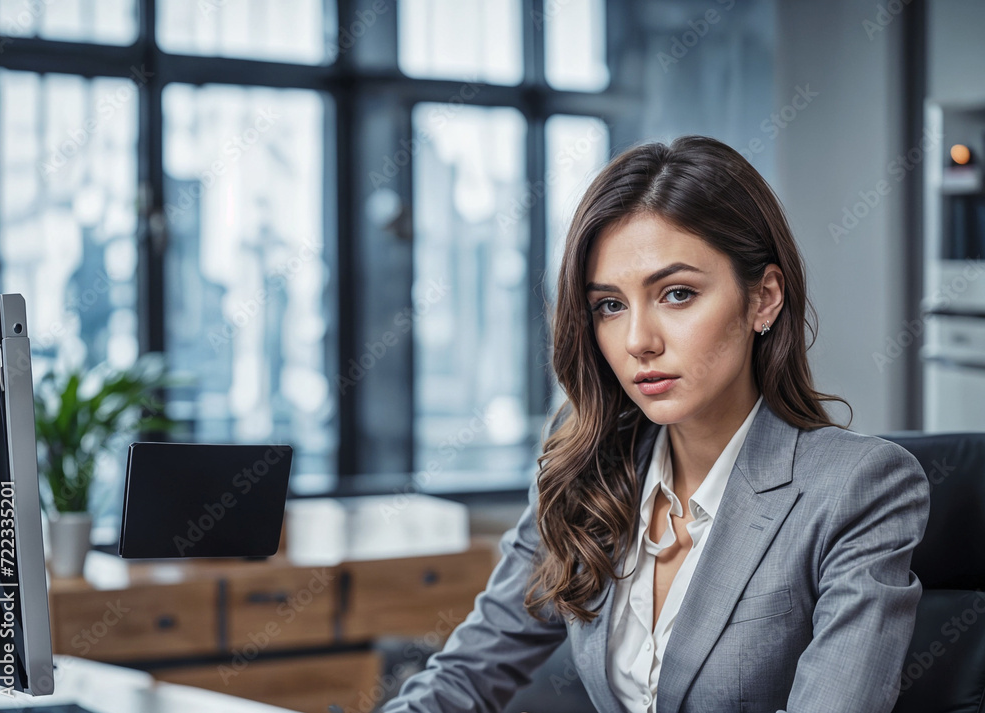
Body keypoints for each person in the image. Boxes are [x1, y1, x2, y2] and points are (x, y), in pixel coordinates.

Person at [379, 135, 931, 713]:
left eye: (677, 293)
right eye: (610, 305)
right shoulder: (588, 465)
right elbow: (462, 680)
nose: (639, 341)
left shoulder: (858, 488)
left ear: (763, 298)